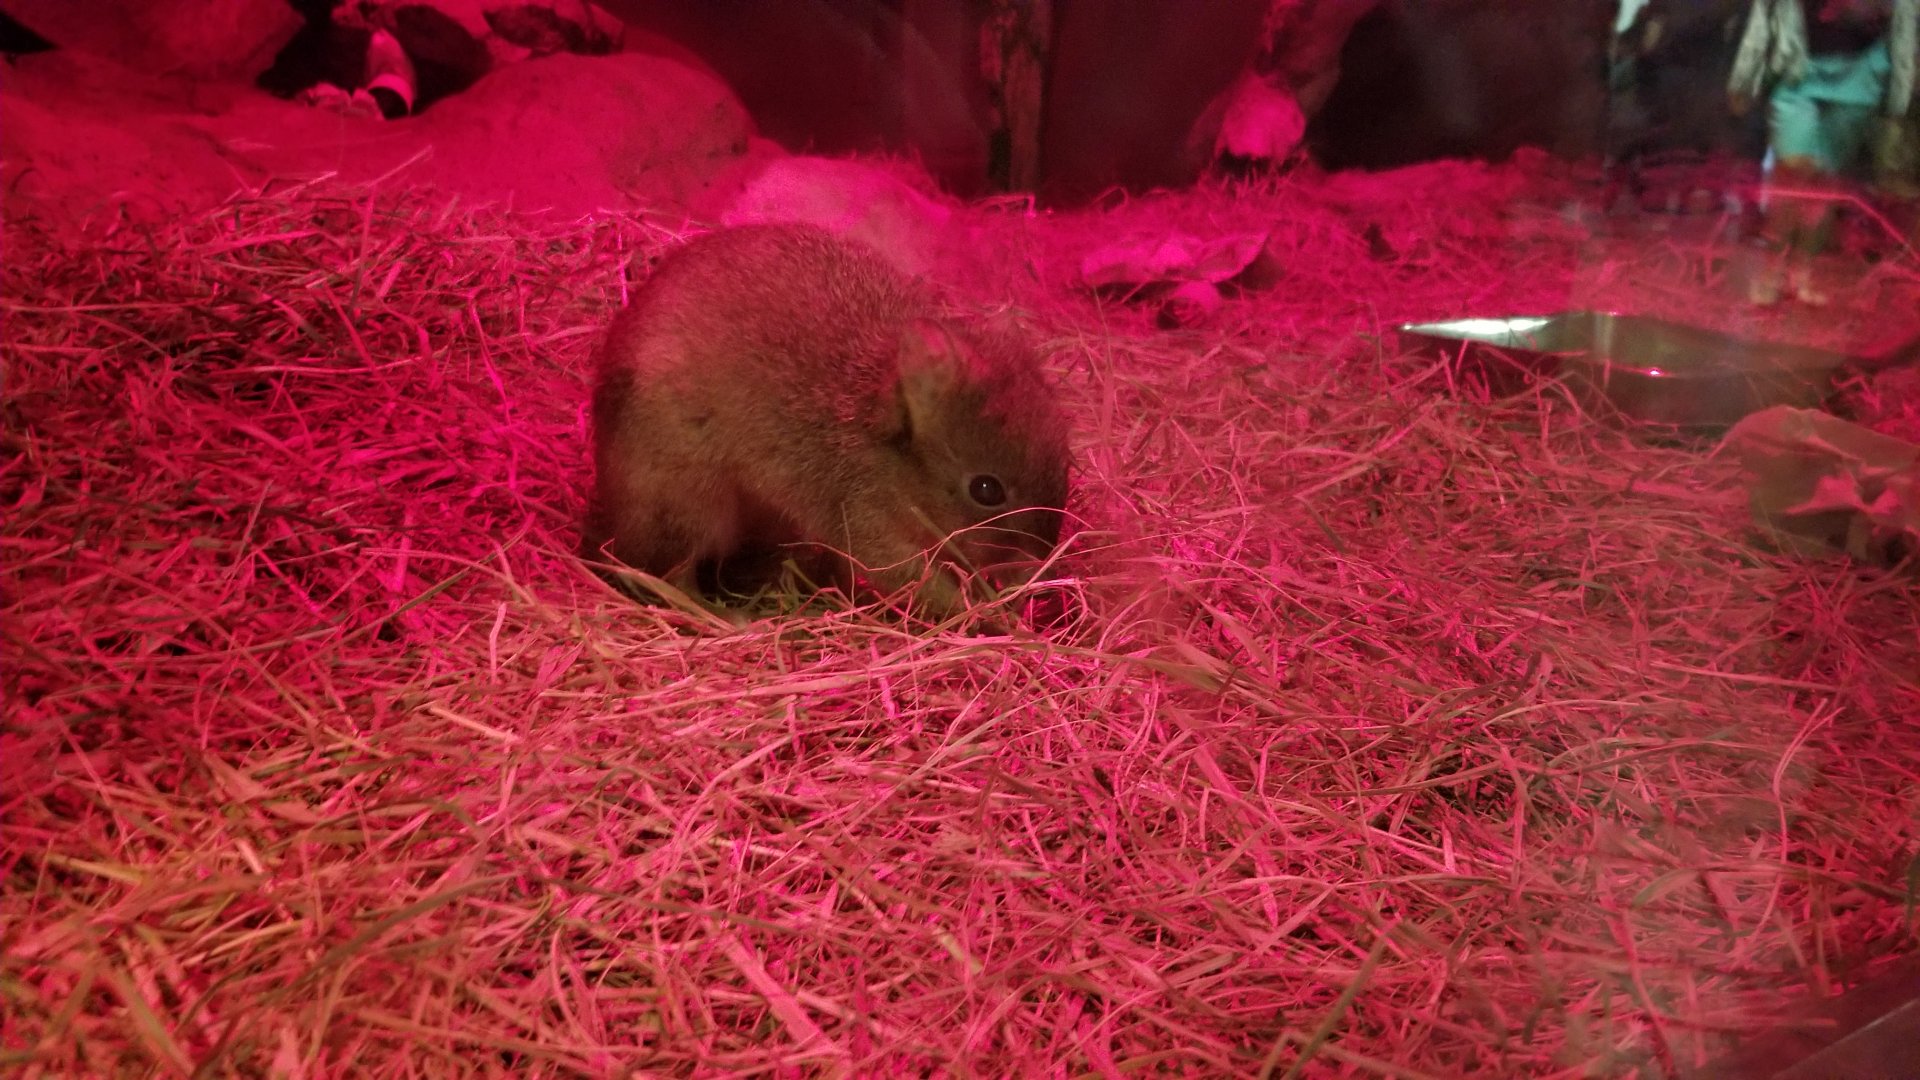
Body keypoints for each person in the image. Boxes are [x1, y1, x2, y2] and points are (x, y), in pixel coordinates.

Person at [1727, 0, 1916, 304]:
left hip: (1863, 77)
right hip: (1796, 73)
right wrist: (1744, 77)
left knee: (1826, 185)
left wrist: (1899, 98)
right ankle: (1773, 270)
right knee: (1792, 178)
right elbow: (1764, 15)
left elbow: (1905, 24)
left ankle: (1803, 272)